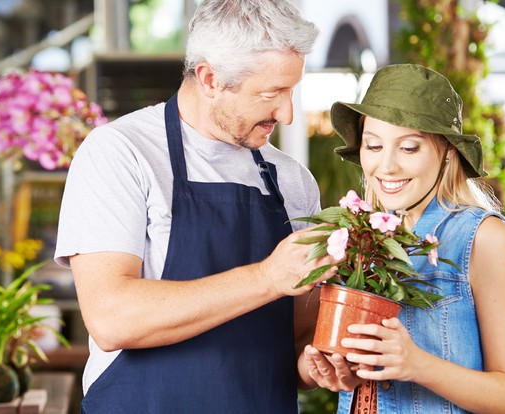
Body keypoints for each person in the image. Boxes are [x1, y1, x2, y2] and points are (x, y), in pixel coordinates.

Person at [55, 0, 332, 412]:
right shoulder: (121, 153)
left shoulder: (292, 179)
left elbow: (295, 339)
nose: (287, 113)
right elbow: (112, 317)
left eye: (291, 91)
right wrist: (266, 278)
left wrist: (317, 364)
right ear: (209, 79)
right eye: (271, 93)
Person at [299, 64, 505, 413]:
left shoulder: (481, 237)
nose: (386, 166)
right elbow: (331, 367)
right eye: (373, 146)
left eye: (408, 148)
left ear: (448, 152)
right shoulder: (356, 240)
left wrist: (418, 365)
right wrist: (335, 373)